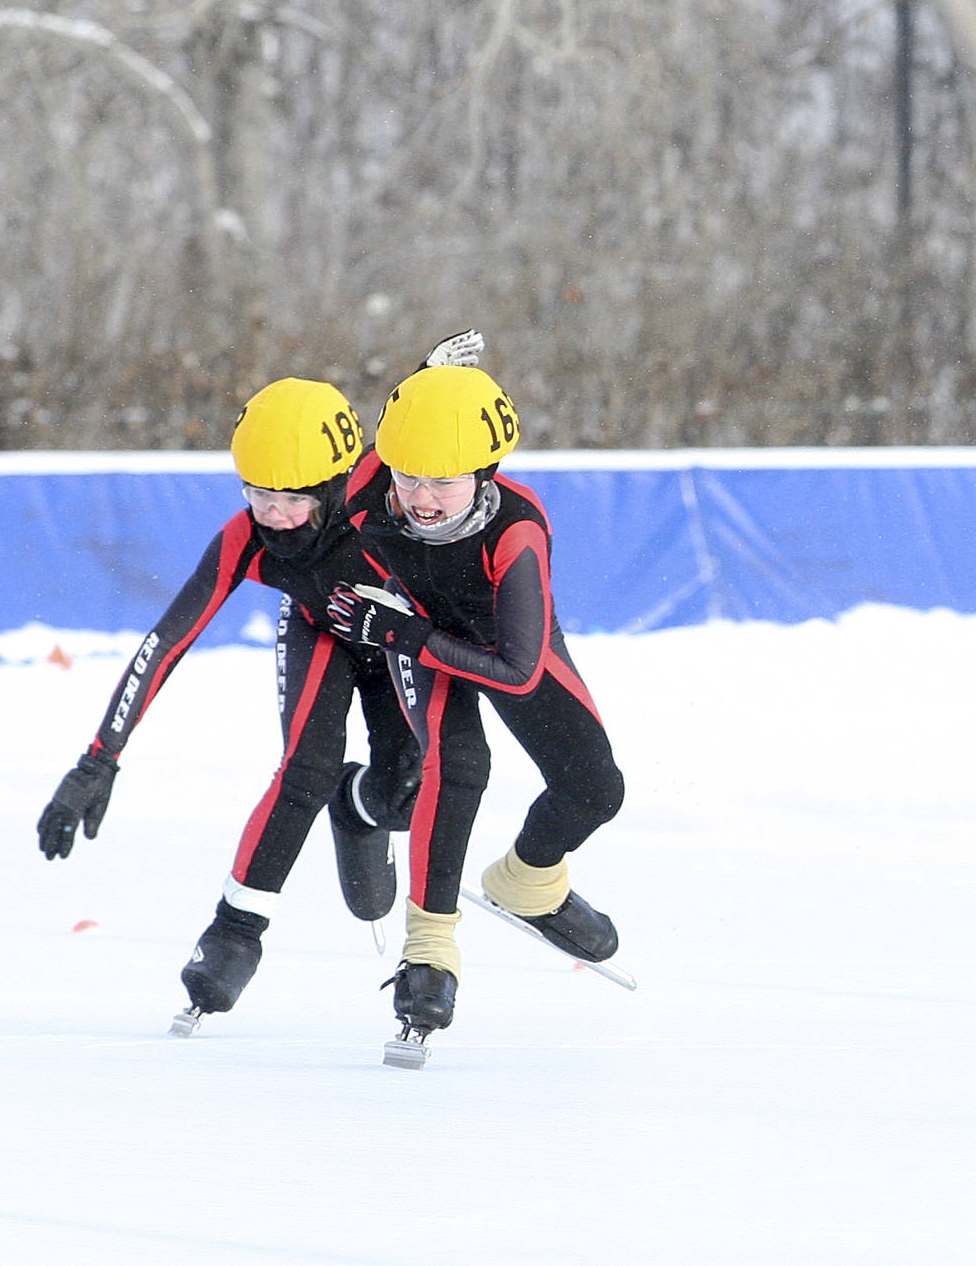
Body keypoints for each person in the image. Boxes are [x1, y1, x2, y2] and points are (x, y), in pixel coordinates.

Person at [36, 378, 421, 1029]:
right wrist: (99, 760)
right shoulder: (244, 535)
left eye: (290, 498)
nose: (271, 515)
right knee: (305, 768)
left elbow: (424, 431)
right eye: (257, 493)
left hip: (396, 639)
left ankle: (359, 811)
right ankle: (234, 932)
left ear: (334, 487)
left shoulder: (385, 502)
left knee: (407, 789)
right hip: (319, 630)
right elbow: (165, 642)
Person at [323, 354, 624, 1044]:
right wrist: (426, 376)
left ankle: (531, 881)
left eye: (444, 483)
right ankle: (428, 951)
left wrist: (404, 630)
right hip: (414, 636)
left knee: (596, 789)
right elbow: (404, 427)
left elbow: (518, 671)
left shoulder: (517, 530)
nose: (422, 499)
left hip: (496, 645)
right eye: (410, 477)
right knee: (455, 771)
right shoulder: (374, 486)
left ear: (485, 475)